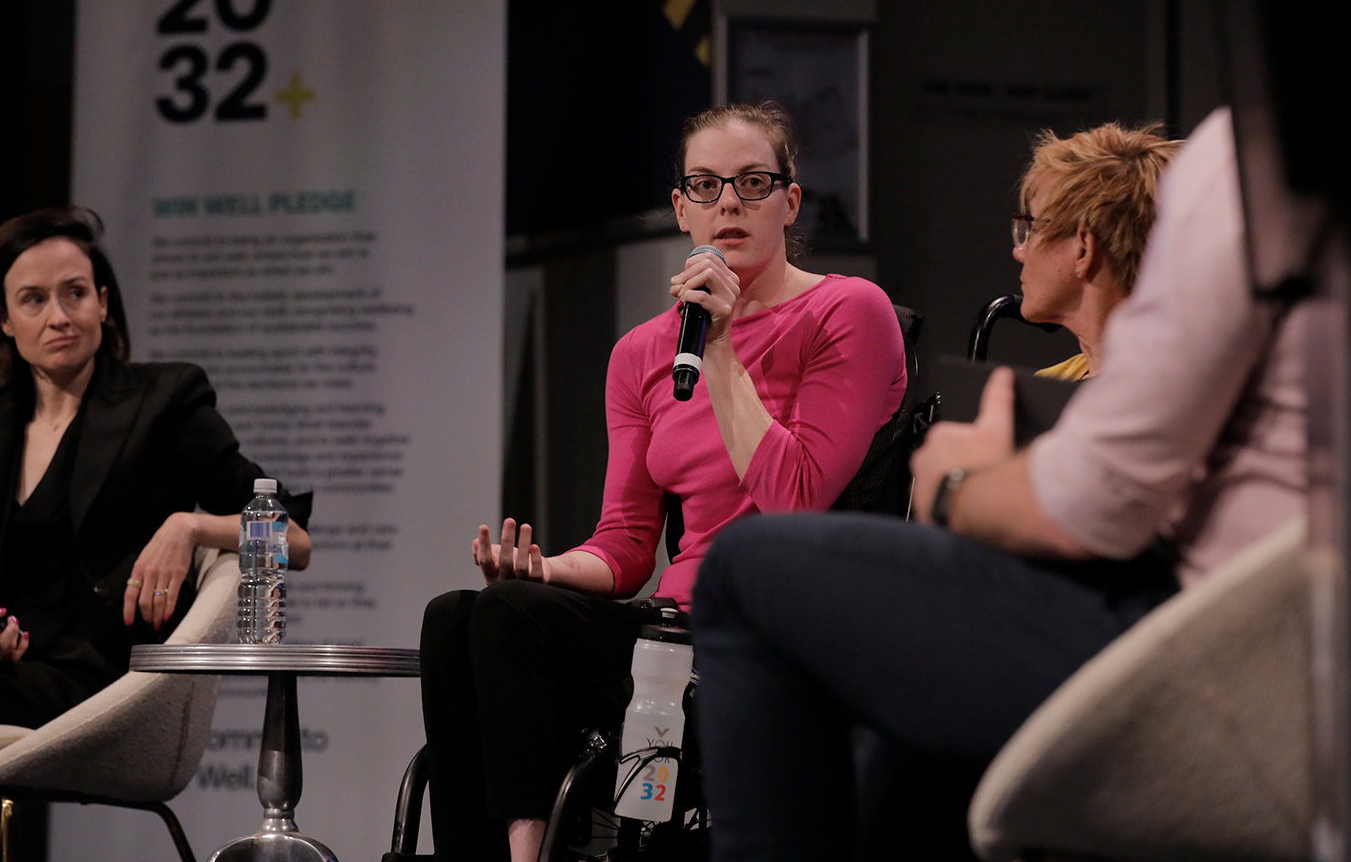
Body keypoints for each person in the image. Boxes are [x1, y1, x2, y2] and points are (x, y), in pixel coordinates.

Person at [691, 107, 1306, 861]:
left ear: (1083, 247)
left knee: (743, 568)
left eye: (1028, 228)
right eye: (705, 185)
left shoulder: (1247, 163)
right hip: (1252, 635)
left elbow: (1092, 509)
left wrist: (958, 484)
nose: (1015, 249)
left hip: (1195, 649)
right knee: (914, 710)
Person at [420, 101, 908, 862]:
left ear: (790, 202)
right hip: (669, 632)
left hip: (771, 635)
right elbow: (625, 547)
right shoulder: (641, 353)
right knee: (457, 616)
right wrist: (548, 571)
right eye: (706, 186)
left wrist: (721, 351)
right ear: (682, 209)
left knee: (507, 618)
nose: (729, 204)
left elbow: (798, 497)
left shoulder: (847, 310)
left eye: (752, 183)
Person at [0, 207, 313, 862]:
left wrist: (189, 526)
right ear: (4, 320)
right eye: (34, 300)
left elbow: (292, 541)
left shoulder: (163, 401)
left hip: (94, 685)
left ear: (103, 303)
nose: (59, 316)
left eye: (75, 293)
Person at [1011, 123, 1180, 380]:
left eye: (1033, 229)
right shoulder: (1049, 381)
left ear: (1083, 250)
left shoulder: (1158, 390)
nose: (1020, 252)